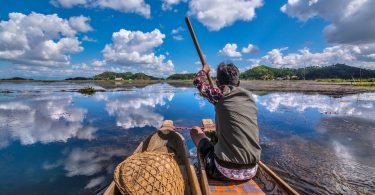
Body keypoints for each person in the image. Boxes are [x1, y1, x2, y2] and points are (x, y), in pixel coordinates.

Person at [191, 62, 261, 181]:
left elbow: (198, 81)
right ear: (238, 83)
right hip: (252, 170)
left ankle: (207, 159)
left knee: (195, 131)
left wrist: (204, 70)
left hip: (222, 170)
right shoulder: (250, 98)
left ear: (218, 84)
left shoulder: (220, 93)